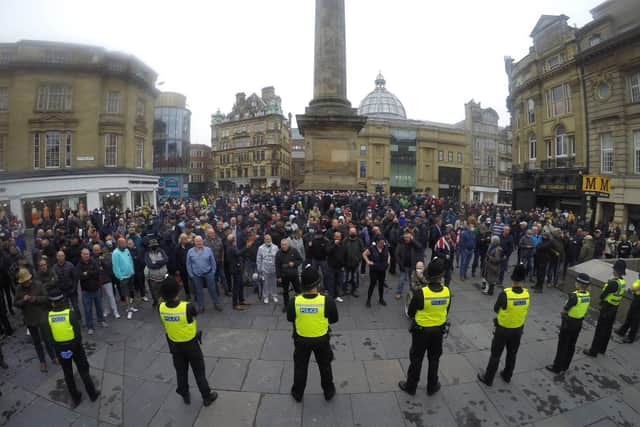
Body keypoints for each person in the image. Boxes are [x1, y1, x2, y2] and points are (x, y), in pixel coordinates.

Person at [158, 276, 218, 406]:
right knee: (199, 372)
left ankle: (184, 394)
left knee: (180, 371)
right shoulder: (187, 307)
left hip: (174, 345)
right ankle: (206, 397)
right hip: (191, 345)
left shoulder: (161, 307)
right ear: (178, 290)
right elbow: (194, 316)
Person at [398, 258, 451, 396]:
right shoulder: (447, 292)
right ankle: (432, 386)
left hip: (421, 332)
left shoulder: (421, 293)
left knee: (416, 359)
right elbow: (447, 310)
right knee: (434, 359)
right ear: (441, 276)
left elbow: (410, 312)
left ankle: (411, 386)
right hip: (438, 331)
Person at [287, 264, 338, 402]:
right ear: (318, 282)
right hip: (322, 340)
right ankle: (328, 392)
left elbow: (290, 318)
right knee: (325, 366)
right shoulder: (327, 301)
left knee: (300, 368)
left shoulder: (294, 301)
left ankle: (298, 393)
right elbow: (333, 320)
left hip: (301, 340)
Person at [44, 288, 100, 408]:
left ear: (52, 303)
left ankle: (76, 397)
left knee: (68, 374)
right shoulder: (70, 314)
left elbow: (49, 339)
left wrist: (57, 352)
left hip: (61, 350)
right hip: (75, 348)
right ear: (62, 300)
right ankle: (92, 394)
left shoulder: (48, 317)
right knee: (84, 371)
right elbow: (77, 334)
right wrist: (73, 348)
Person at [477, 264, 530, 387]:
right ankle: (507, 375)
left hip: (503, 330)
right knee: (512, 354)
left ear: (512, 279)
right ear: (523, 280)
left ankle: (488, 378)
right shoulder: (527, 294)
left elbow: (496, 309)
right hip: (518, 330)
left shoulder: (506, 294)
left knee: (496, 354)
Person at [14, 268, 58, 372]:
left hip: (41, 317)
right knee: (37, 342)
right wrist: (23, 301)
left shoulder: (38, 284)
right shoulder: (19, 289)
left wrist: (35, 299)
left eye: (28, 280)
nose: (27, 282)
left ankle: (53, 357)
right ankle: (42, 361)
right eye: (24, 281)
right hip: (30, 319)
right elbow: (15, 303)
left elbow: (46, 298)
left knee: (47, 339)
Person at [546, 273, 591, 374]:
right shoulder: (587, 295)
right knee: (571, 345)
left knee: (562, 346)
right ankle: (565, 365)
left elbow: (564, 310)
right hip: (578, 323)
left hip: (568, 324)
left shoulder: (574, 296)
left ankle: (557, 367)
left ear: (578, 284)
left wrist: (562, 313)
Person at [584, 259, 626, 357]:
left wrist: (601, 301)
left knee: (600, 330)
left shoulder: (613, 283)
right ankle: (602, 349)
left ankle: (593, 351)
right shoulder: (622, 282)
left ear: (615, 270)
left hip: (607, 308)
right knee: (607, 329)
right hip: (614, 308)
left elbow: (603, 295)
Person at [186, 236, 222, 312]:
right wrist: (191, 274)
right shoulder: (190, 251)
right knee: (199, 291)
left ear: (203, 241)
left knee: (212, 289)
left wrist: (213, 272)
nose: (199, 243)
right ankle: (201, 306)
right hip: (196, 275)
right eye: (197, 241)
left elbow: (213, 262)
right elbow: (188, 264)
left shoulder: (208, 250)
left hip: (208, 273)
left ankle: (216, 304)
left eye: (200, 241)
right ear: (194, 242)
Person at [76, 248, 107, 335]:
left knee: (99, 307)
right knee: (87, 309)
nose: (86, 256)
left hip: (96, 289)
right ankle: (90, 326)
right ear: (81, 255)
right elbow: (80, 276)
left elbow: (97, 273)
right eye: (84, 254)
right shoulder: (79, 265)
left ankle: (101, 320)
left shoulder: (93, 262)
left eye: (88, 254)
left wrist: (87, 273)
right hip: (86, 291)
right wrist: (90, 273)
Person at [111, 237, 138, 319]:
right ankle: (128, 309)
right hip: (123, 277)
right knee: (126, 294)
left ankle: (131, 307)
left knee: (131, 292)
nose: (125, 245)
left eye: (125, 243)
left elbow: (130, 260)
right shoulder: (115, 253)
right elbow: (115, 267)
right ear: (119, 244)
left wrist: (132, 270)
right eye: (123, 243)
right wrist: (120, 277)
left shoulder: (126, 250)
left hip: (130, 275)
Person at [93, 244, 120, 319]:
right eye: (95, 250)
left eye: (97, 250)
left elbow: (109, 266)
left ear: (100, 250)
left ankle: (115, 311)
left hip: (106, 279)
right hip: (98, 280)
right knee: (103, 297)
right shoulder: (92, 259)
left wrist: (102, 261)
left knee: (110, 296)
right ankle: (106, 310)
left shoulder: (105, 256)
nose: (96, 251)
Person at [276, 238, 303, 313]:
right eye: (282, 245)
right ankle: (286, 305)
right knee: (285, 291)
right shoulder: (278, 253)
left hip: (294, 274)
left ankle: (299, 304)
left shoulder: (294, 250)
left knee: (298, 290)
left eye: (285, 244)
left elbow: (300, 260)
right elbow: (277, 266)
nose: (283, 246)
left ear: (288, 245)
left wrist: (294, 263)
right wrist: (278, 276)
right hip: (284, 275)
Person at [362, 235, 390, 308]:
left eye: (383, 243)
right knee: (372, 285)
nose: (382, 245)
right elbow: (364, 254)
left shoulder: (385, 247)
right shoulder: (372, 248)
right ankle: (368, 300)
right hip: (374, 270)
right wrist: (368, 261)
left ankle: (381, 299)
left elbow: (389, 254)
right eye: (381, 243)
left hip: (382, 270)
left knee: (381, 285)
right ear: (377, 242)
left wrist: (388, 261)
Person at [615, 271, 640, 344]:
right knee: (630, 316)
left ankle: (630, 337)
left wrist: (632, 289)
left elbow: (635, 288)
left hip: (638, 301)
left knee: (635, 320)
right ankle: (622, 331)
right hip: (636, 298)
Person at [145, 239, 169, 307]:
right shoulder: (147, 253)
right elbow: (149, 265)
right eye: (152, 245)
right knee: (156, 292)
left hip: (163, 275)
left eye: (155, 245)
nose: (154, 246)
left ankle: (165, 304)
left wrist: (156, 262)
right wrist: (160, 263)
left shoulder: (161, 251)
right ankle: (159, 304)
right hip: (153, 277)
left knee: (165, 290)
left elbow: (166, 259)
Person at [257, 234, 279, 305]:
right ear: (264, 240)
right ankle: (266, 296)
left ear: (271, 239)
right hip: (265, 268)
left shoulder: (275, 247)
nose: (268, 240)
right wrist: (259, 268)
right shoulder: (260, 248)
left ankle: (274, 295)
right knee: (265, 283)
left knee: (273, 283)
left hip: (273, 268)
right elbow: (259, 258)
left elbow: (278, 258)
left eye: (269, 239)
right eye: (266, 239)